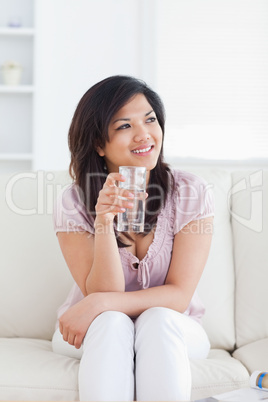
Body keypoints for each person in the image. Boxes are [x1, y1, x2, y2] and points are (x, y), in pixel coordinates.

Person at [52, 75, 215, 402]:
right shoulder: (73, 202)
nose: (144, 134)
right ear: (99, 143)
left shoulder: (190, 192)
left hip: (174, 327)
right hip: (95, 328)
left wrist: (99, 303)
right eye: (124, 126)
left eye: (150, 119)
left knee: (157, 319)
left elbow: (178, 298)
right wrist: (103, 223)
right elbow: (102, 298)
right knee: (112, 323)